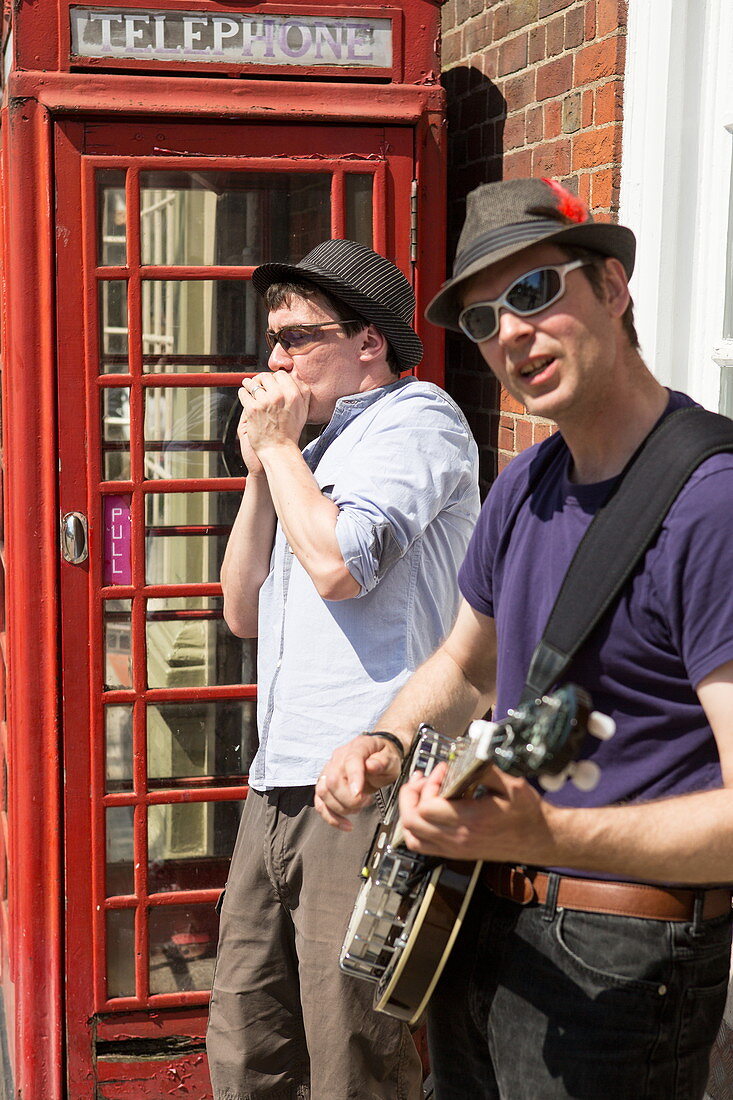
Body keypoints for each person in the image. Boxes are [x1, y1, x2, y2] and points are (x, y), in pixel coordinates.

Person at [316, 179, 733, 1099]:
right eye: (479, 318)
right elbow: (465, 665)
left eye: (535, 292)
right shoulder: (526, 483)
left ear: (613, 287)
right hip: (479, 928)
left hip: (622, 962)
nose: (509, 331)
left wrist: (547, 828)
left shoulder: (712, 504)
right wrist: (383, 742)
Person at [206, 238, 480, 1100]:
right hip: (276, 778)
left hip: (368, 780)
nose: (277, 360)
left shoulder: (420, 421)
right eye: (272, 341)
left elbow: (340, 566)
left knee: (352, 1054)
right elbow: (240, 611)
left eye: (298, 337)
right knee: (247, 1044)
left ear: (370, 341)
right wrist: (263, 465)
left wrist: (281, 447)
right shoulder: (306, 455)